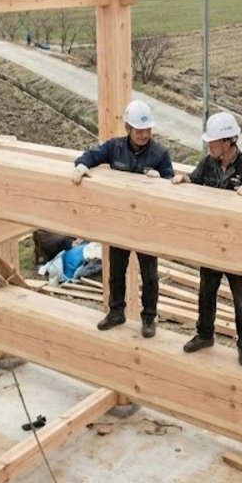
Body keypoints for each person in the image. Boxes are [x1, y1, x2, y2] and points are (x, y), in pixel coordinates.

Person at [173, 112, 242, 367]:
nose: (209, 146)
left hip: (237, 245)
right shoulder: (208, 164)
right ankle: (204, 335)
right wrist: (185, 179)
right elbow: (196, 178)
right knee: (207, 291)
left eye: (214, 142)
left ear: (228, 142)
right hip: (213, 241)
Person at [71, 100, 173, 337]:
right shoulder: (114, 147)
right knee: (117, 270)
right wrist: (82, 165)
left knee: (149, 275)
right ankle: (116, 312)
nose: (144, 135)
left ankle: (149, 318)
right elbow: (92, 155)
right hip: (120, 222)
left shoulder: (160, 153)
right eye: (139, 131)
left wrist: (161, 180)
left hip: (146, 223)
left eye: (147, 130)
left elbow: (171, 183)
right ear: (128, 128)